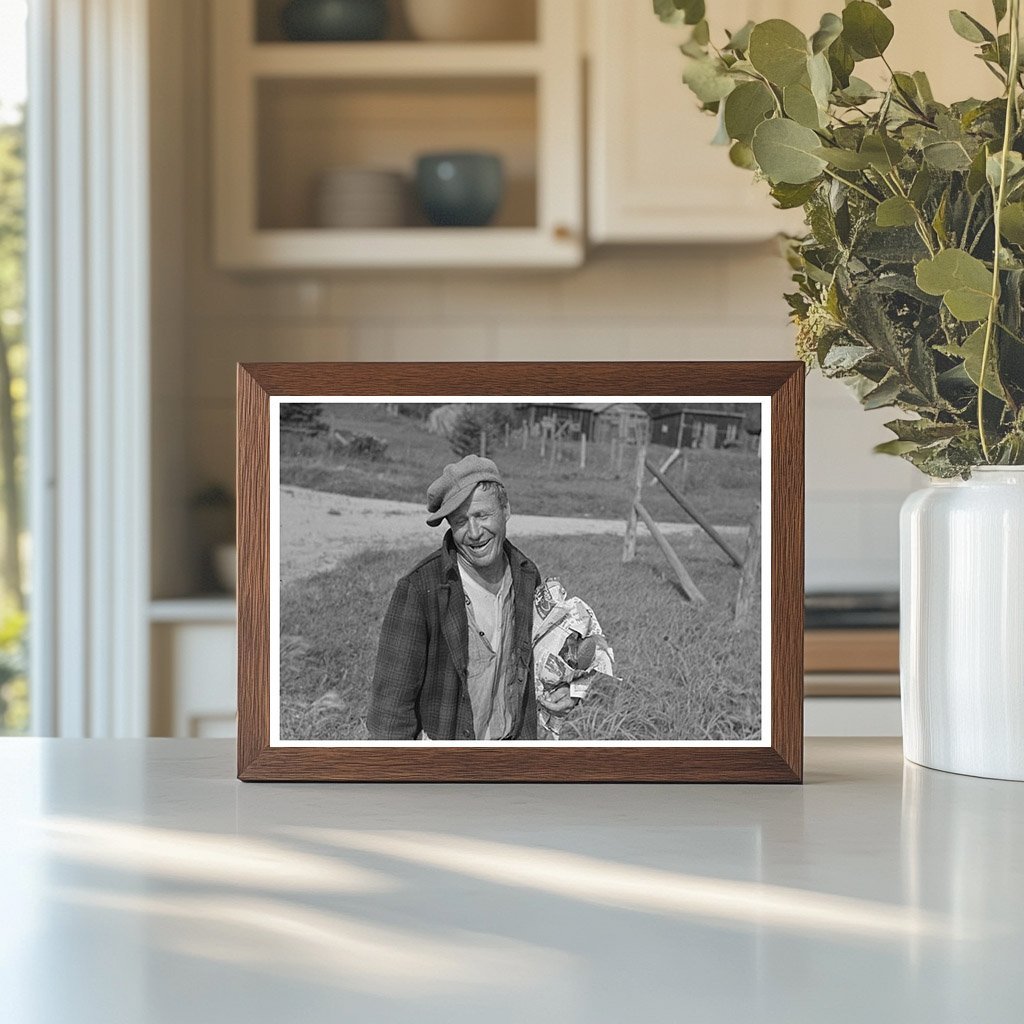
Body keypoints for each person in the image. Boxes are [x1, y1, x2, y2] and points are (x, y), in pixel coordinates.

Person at [367, 454, 568, 740]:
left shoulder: (525, 576)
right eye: (461, 521)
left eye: (482, 516)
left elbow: (532, 667)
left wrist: (560, 689)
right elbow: (389, 714)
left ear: (506, 509)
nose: (474, 533)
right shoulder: (420, 589)